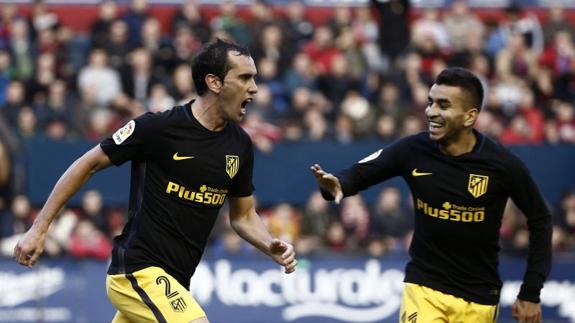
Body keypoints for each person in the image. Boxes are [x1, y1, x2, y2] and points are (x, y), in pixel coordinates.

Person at [14, 39, 297, 323]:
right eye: (245, 77)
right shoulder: (157, 128)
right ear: (214, 82)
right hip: (137, 271)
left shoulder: (240, 145)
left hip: (174, 283)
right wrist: (40, 228)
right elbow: (86, 164)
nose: (254, 88)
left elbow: (244, 215)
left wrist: (268, 243)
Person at [311, 67, 551, 323]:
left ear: (469, 117)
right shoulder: (414, 149)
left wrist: (531, 292)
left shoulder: (502, 165)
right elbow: (358, 174)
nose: (431, 112)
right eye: (430, 102)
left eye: (443, 105)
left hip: (479, 295)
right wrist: (337, 184)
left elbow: (540, 220)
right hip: (424, 286)